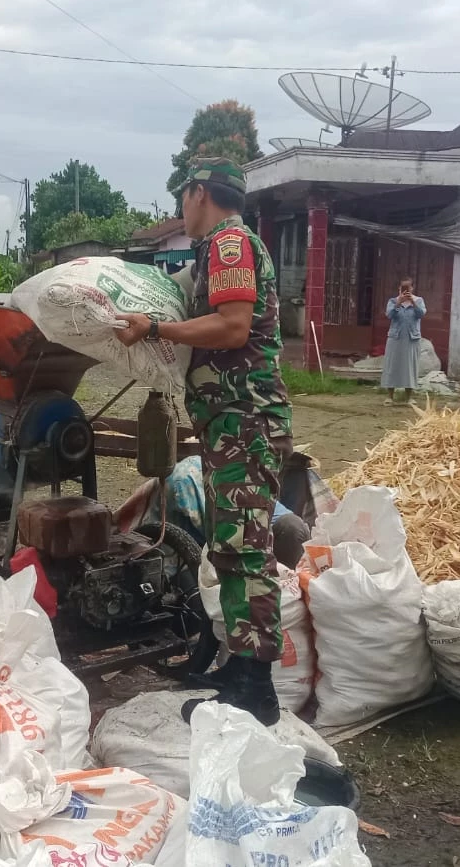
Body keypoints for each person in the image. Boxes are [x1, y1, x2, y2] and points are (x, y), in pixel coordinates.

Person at [113, 156, 292, 726]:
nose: (178, 210)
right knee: (230, 547)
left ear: (198, 193)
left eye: (180, 197)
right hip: (232, 424)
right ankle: (237, 667)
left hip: (246, 421)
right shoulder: (216, 250)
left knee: (245, 552)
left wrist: (157, 328)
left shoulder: (230, 245)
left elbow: (233, 326)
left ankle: (256, 692)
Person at [114, 455, 312, 573]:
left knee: (291, 530)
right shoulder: (184, 489)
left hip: (260, 531)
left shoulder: (282, 522)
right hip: (217, 532)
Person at [382, 278, 426, 405]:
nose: (406, 291)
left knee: (410, 367)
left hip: (412, 339)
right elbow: (389, 315)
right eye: (403, 288)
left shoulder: (419, 301)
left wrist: (413, 302)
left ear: (412, 288)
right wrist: (398, 303)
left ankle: (409, 397)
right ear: (399, 289)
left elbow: (421, 314)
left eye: (408, 288)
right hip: (395, 338)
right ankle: (390, 396)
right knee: (392, 366)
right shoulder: (393, 301)